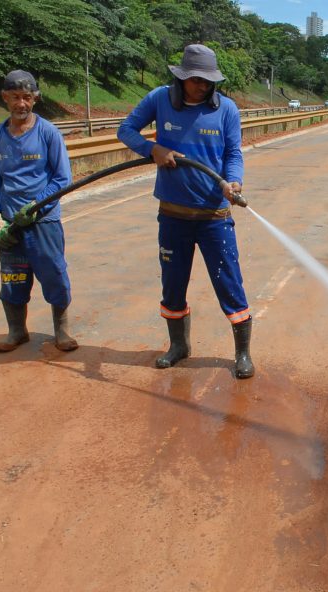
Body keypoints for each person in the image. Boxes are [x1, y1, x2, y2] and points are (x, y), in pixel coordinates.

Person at [117, 44, 254, 379]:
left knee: (229, 284)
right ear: (181, 77)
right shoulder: (159, 99)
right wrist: (153, 150)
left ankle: (242, 354)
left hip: (214, 218)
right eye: (195, 80)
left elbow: (233, 153)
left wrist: (233, 181)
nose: (201, 86)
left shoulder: (227, 110)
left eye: (208, 81)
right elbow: (125, 131)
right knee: (173, 284)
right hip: (173, 216)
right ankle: (179, 346)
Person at [0, 69, 78, 353]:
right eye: (15, 97)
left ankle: (61, 331)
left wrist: (38, 205)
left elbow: (63, 179)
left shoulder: (48, 132)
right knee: (12, 278)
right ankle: (17, 331)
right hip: (11, 224)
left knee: (53, 273)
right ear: (5, 98)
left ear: (35, 98)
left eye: (26, 97)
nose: (21, 104)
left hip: (43, 222)